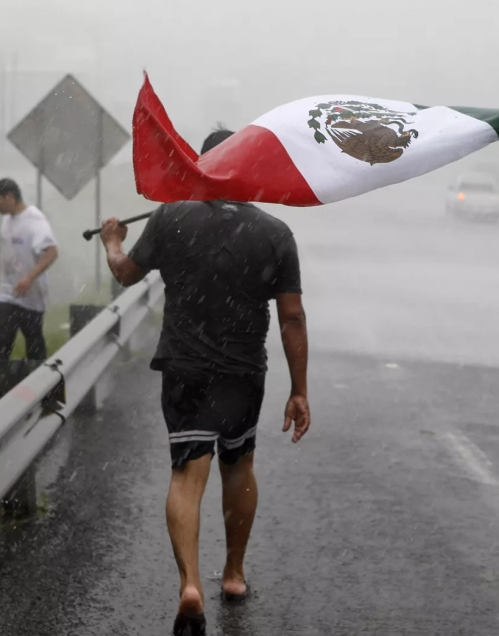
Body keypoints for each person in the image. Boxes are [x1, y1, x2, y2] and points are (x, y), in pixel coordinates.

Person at [99, 129, 311, 635]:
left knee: (186, 475)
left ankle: (190, 584)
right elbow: (293, 317)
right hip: (243, 370)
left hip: (184, 367)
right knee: (238, 464)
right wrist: (299, 388)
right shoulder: (275, 233)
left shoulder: (171, 216)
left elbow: (126, 273)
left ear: (203, 166)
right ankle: (234, 573)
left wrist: (111, 242)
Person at [0, 178, 59, 399]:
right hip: (7, 293)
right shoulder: (6, 220)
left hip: (31, 296)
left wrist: (29, 278)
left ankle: (42, 392)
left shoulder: (35, 220)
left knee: (34, 343)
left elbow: (52, 252)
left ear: (9, 197)